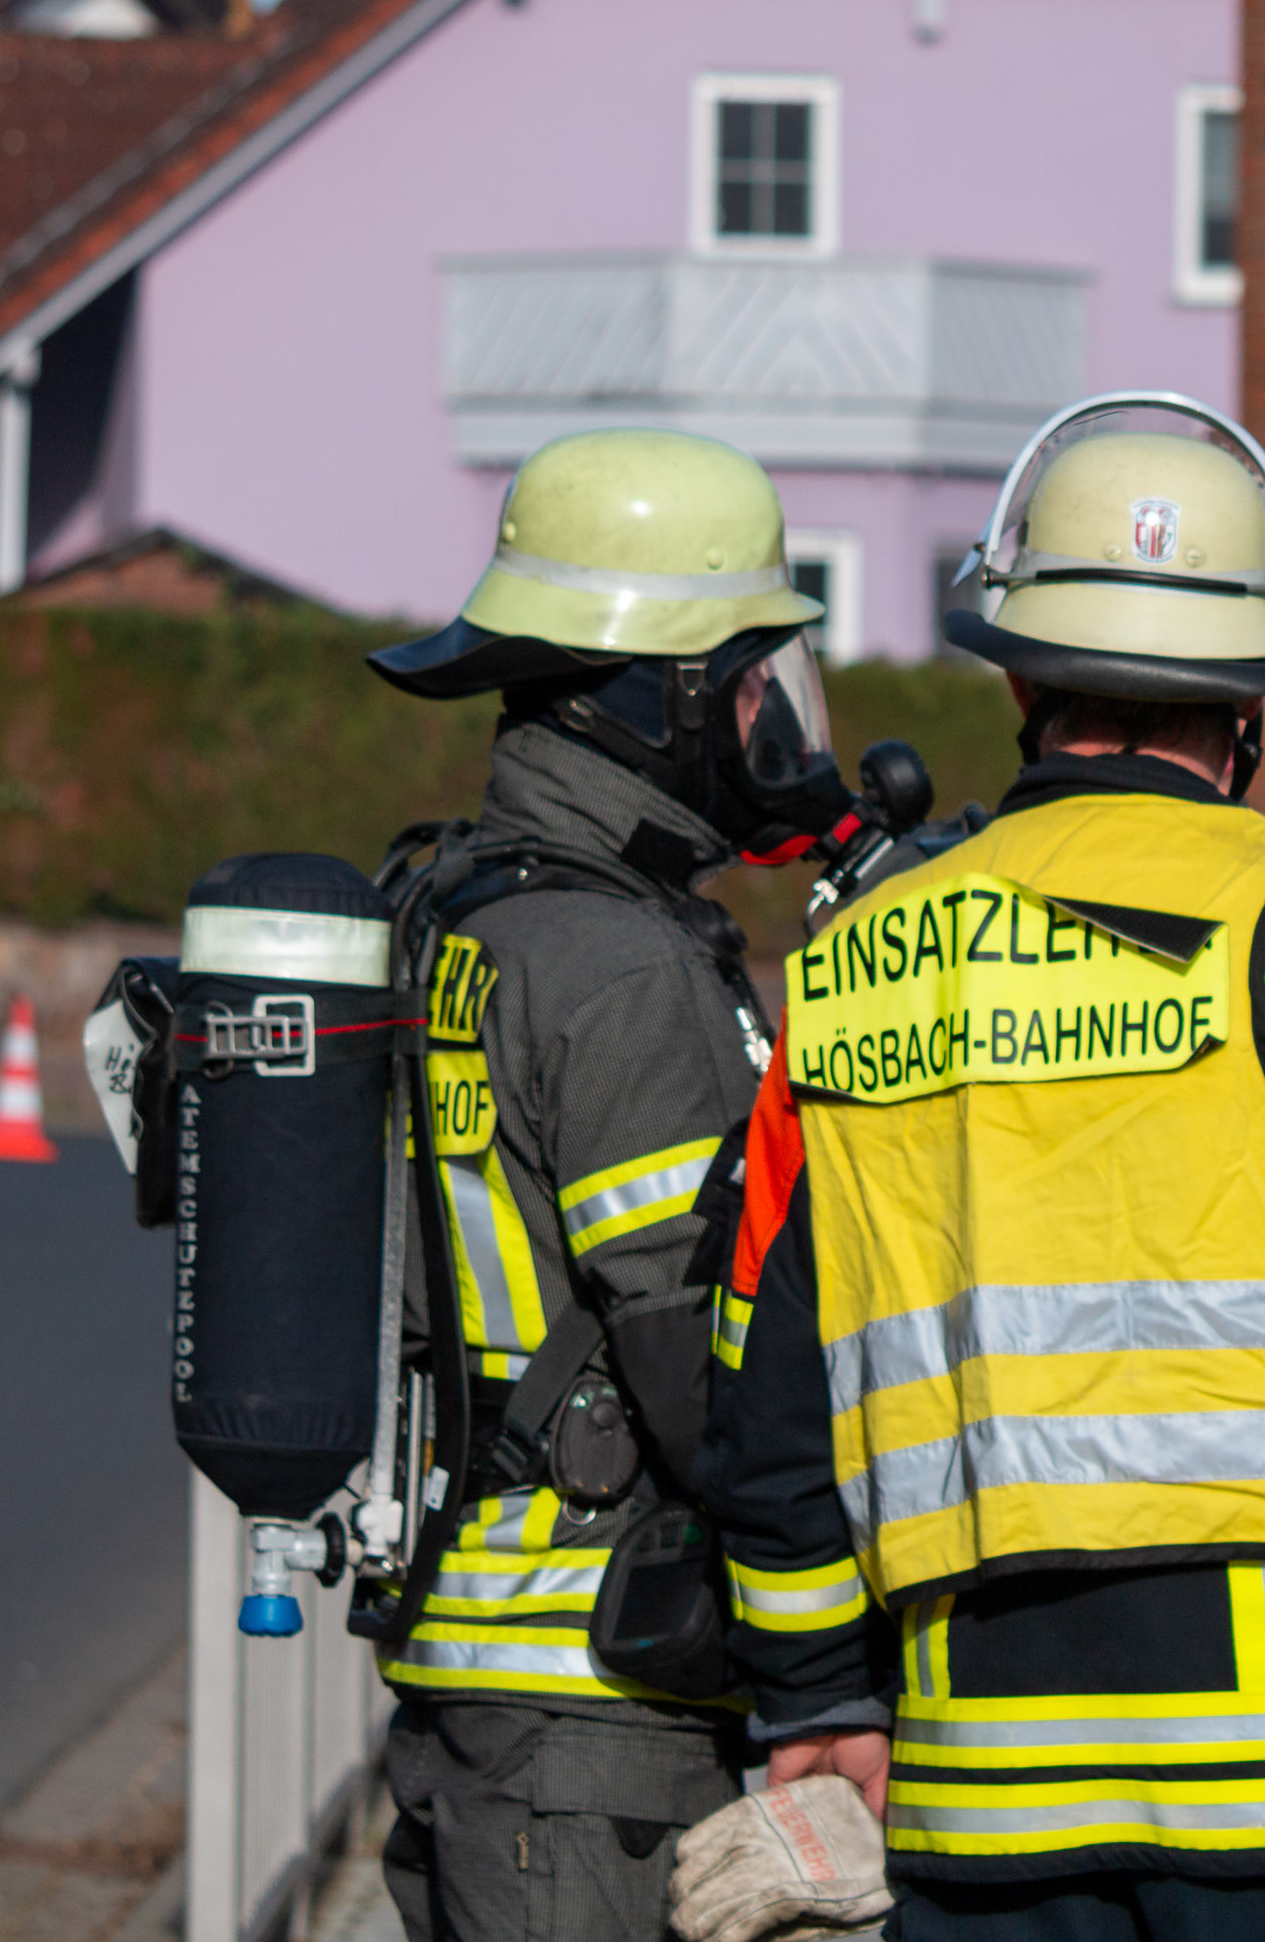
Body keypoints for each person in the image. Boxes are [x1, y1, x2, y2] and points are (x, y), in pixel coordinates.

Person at [696, 393, 1265, 1941]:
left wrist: (817, 1700)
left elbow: (768, 1413)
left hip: (992, 1791)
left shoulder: (851, 975)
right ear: (1248, 707)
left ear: (1024, 680)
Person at [362, 428, 861, 1942]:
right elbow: (706, 1370)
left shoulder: (453, 902)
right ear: (665, 695)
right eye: (759, 681)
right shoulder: (619, 967)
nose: (781, 724)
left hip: (483, 1688)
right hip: (604, 1711)